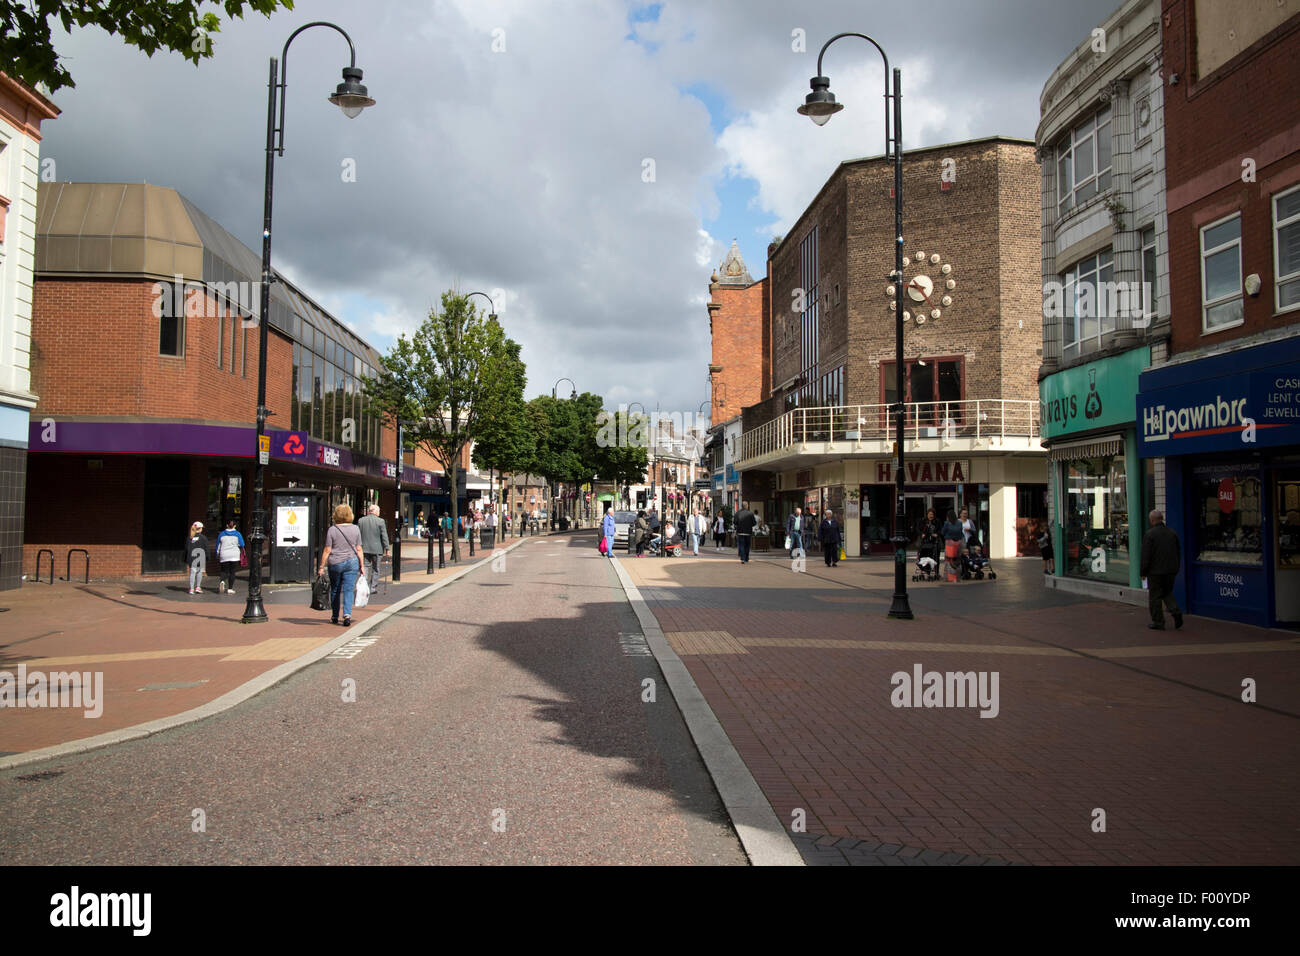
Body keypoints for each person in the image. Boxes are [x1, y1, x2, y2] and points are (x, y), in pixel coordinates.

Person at [318, 504, 365, 627]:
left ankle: (334, 615)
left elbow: (327, 550)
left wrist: (321, 567)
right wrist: (362, 565)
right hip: (352, 562)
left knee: (335, 590)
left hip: (336, 562)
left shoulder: (332, 530)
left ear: (336, 515)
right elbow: (359, 549)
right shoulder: (355, 529)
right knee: (349, 590)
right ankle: (347, 615)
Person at [1140, 509, 1183, 630]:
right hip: (1170, 570)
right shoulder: (1172, 533)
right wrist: (1176, 567)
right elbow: (1178, 552)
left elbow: (1146, 556)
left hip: (1155, 572)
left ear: (1152, 520)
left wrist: (1143, 572)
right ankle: (1175, 611)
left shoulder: (1150, 535)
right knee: (1167, 592)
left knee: (1155, 597)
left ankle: (1158, 621)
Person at [357, 503, 390, 590]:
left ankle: (364, 586)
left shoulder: (361, 520)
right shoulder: (380, 521)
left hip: (364, 548)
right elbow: (384, 536)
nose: (379, 512)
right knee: (376, 568)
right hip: (377, 549)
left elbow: (358, 535)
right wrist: (387, 548)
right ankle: (373, 587)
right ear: (375, 511)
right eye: (378, 511)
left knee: (365, 567)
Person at [214, 519, 245, 595]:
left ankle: (222, 581)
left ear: (227, 525)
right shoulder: (238, 534)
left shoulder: (221, 534)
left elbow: (218, 545)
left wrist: (217, 554)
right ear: (235, 526)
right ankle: (230, 588)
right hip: (234, 555)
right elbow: (242, 544)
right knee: (232, 572)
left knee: (224, 570)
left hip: (224, 554)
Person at [941, 509, 965, 581]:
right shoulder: (960, 523)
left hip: (949, 543)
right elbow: (960, 532)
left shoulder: (947, 523)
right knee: (957, 560)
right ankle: (957, 577)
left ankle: (948, 577)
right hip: (958, 543)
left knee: (948, 560)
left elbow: (942, 532)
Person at [186, 521, 209, 594]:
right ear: (200, 529)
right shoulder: (203, 538)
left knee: (192, 573)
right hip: (201, 557)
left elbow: (187, 549)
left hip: (192, 558)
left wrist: (186, 559)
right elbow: (206, 548)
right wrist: (208, 557)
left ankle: (191, 589)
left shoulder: (190, 537)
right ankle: (198, 587)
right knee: (199, 572)